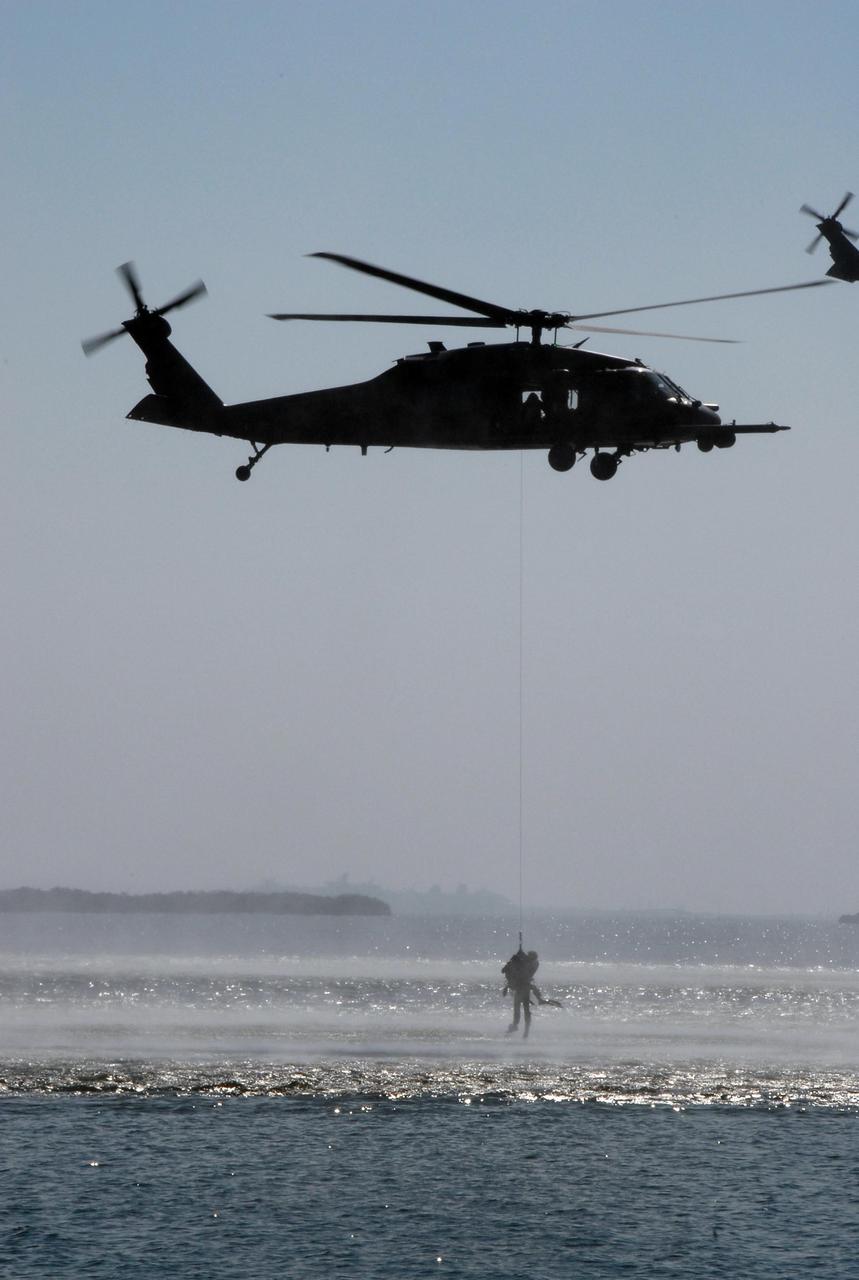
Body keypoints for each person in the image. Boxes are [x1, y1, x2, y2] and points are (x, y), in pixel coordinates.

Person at [501, 946, 543, 1038]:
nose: (527, 957)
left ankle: (523, 1030)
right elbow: (505, 970)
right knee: (520, 1009)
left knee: (523, 1009)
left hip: (524, 988)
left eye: (529, 956)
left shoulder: (531, 964)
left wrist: (518, 957)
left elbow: (521, 971)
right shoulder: (530, 963)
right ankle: (518, 1027)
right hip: (521, 988)